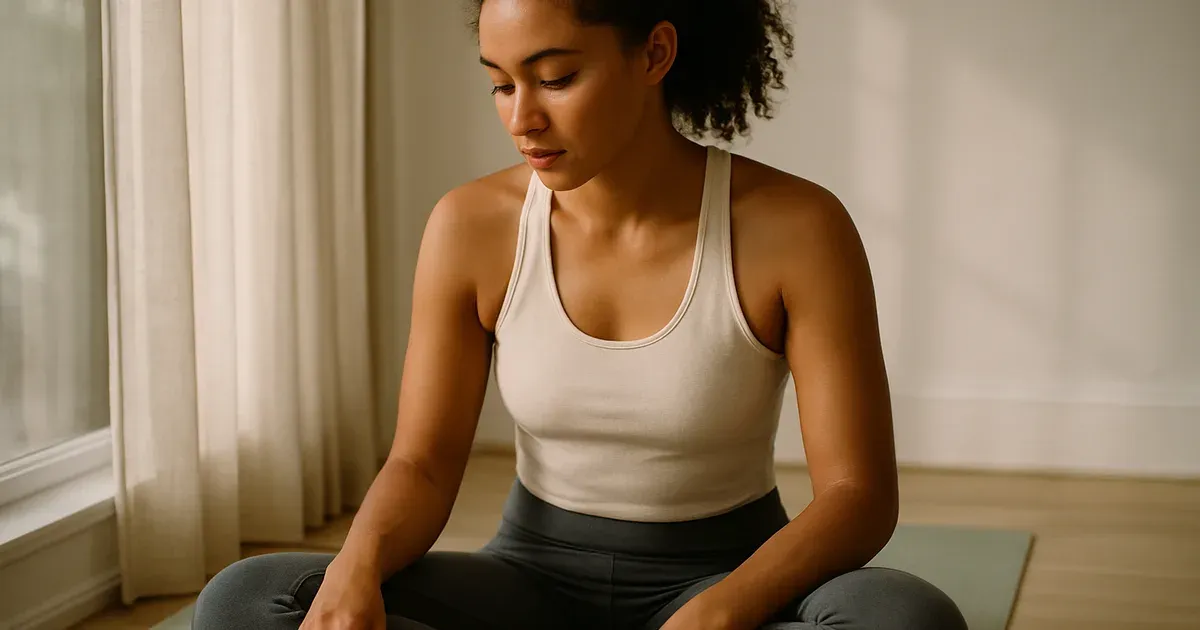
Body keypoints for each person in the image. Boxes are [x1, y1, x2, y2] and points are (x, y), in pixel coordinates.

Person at [193, 0, 968, 628]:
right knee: (245, 600)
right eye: (500, 83)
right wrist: (354, 571)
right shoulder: (471, 225)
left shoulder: (796, 227)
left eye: (555, 78)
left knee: (905, 615)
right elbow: (421, 464)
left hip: (730, 576)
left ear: (655, 55)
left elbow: (857, 495)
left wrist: (723, 610)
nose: (521, 117)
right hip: (528, 583)